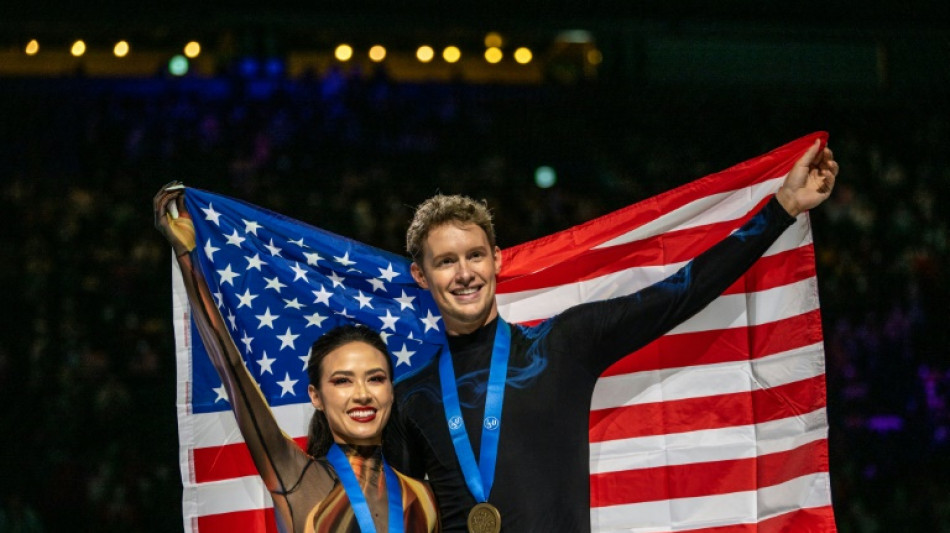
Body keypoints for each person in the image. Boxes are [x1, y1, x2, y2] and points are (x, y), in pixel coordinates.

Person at [382, 140, 839, 532]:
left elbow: (679, 294)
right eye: (446, 262)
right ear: (421, 275)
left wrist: (782, 209)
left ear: (497, 260)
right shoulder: (410, 398)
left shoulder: (562, 344)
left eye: (475, 255)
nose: (465, 274)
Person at [154, 186, 440, 533]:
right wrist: (189, 259)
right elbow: (231, 369)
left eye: (375, 378)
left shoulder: (425, 498)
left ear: (391, 392)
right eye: (342, 380)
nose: (362, 393)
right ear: (315, 396)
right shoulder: (297, 479)